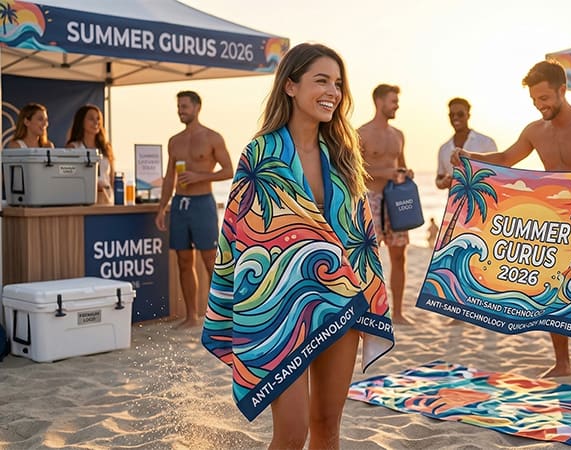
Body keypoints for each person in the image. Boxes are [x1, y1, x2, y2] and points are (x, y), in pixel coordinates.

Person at [202, 43, 393, 448]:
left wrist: (369, 289)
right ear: (290, 85)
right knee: (291, 433)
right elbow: (244, 237)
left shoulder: (342, 154)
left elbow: (359, 234)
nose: (332, 92)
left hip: (341, 297)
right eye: (320, 80)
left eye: (338, 83)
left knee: (327, 425)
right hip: (279, 308)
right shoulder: (261, 153)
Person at [451, 60, 571, 386]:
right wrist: (469, 157)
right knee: (553, 291)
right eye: (534, 100)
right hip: (553, 221)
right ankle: (562, 363)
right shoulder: (534, 131)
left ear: (562, 90)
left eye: (545, 98)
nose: (540, 105)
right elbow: (505, 160)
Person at [155, 90, 233, 329]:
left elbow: (229, 170)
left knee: (210, 259)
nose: (181, 110)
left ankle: (222, 317)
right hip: (180, 204)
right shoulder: (174, 141)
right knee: (183, 260)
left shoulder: (212, 137)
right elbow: (169, 178)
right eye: (179, 106)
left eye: (185, 106)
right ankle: (191, 316)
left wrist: (200, 176)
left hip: (202, 204)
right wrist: (162, 208)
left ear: (197, 107)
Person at [359, 84, 415, 325]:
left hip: (396, 200)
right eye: (393, 101)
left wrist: (405, 172)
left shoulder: (398, 135)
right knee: (368, 257)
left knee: (399, 256)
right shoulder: (360, 133)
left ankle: (398, 312)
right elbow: (355, 172)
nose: (397, 106)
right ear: (379, 102)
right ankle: (367, 311)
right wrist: (387, 172)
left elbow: (400, 165)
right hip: (371, 198)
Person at [435, 97, 497, 190]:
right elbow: (439, 179)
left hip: (483, 201)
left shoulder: (486, 142)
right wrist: (443, 182)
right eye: (452, 115)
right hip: (455, 203)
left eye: (460, 114)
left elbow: (497, 174)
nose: (455, 117)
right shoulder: (443, 149)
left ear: (468, 115)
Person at [66, 104, 115, 204]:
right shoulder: (73, 147)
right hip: (83, 200)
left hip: (107, 199)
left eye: (98, 119)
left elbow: (112, 177)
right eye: (91, 119)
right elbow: (70, 177)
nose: (96, 122)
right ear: (81, 122)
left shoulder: (106, 148)